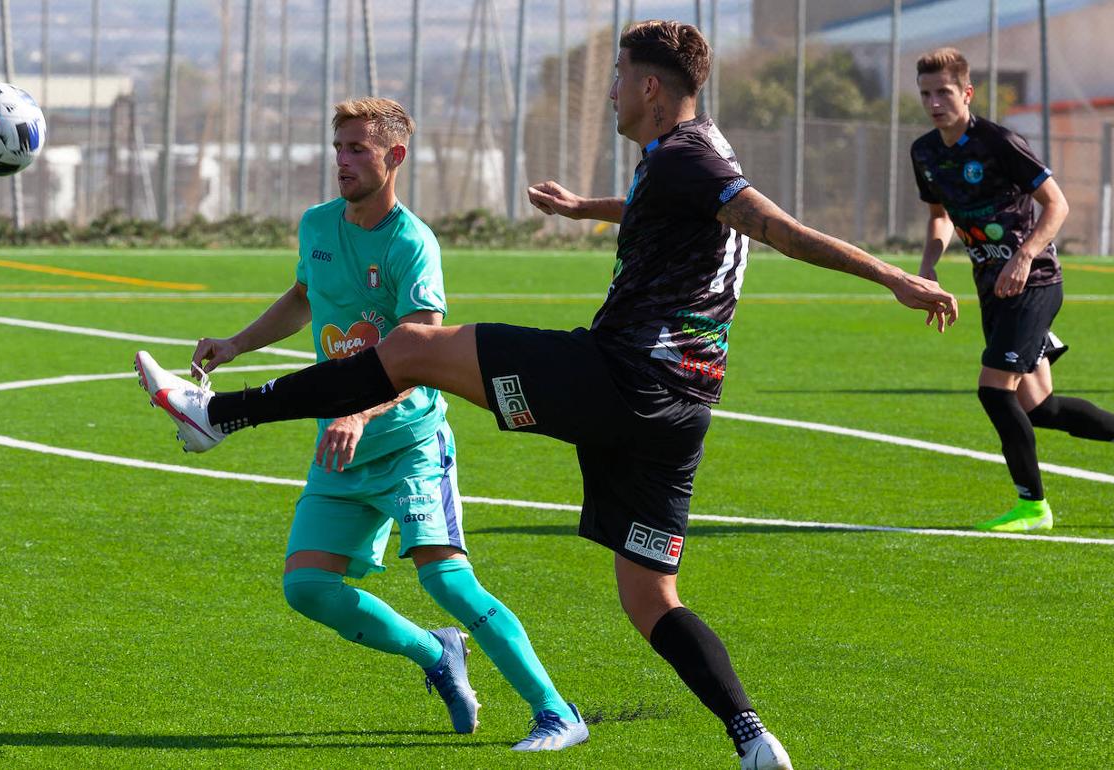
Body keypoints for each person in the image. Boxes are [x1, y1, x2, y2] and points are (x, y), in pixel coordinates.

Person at [137, 22, 958, 770]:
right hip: (680, 416)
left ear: (649, 87)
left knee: (414, 349)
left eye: (617, 76)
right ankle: (752, 738)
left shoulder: (688, 156)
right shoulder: (689, 155)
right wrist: (585, 211)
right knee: (649, 598)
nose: (607, 90)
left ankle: (220, 414)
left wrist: (895, 277)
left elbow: (774, 227)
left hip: (622, 377)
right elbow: (668, 206)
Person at [135, 97, 588, 752]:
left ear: (394, 157)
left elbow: (422, 346)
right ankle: (435, 654)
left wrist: (358, 408)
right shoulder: (318, 226)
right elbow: (302, 298)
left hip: (409, 442)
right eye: (338, 147)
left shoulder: (412, 244)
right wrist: (235, 344)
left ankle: (556, 712)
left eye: (358, 149)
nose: (342, 161)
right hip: (340, 447)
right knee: (308, 587)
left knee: (446, 579)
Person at [911, 48, 1114, 533]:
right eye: (925, 94)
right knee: (1041, 408)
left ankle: (1032, 506)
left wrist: (1024, 256)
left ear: (966, 92)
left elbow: (1057, 205)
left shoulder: (999, 142)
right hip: (992, 289)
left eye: (943, 91)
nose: (935, 102)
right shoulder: (925, 152)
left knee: (994, 392)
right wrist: (928, 267)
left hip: (1035, 283)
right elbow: (939, 216)